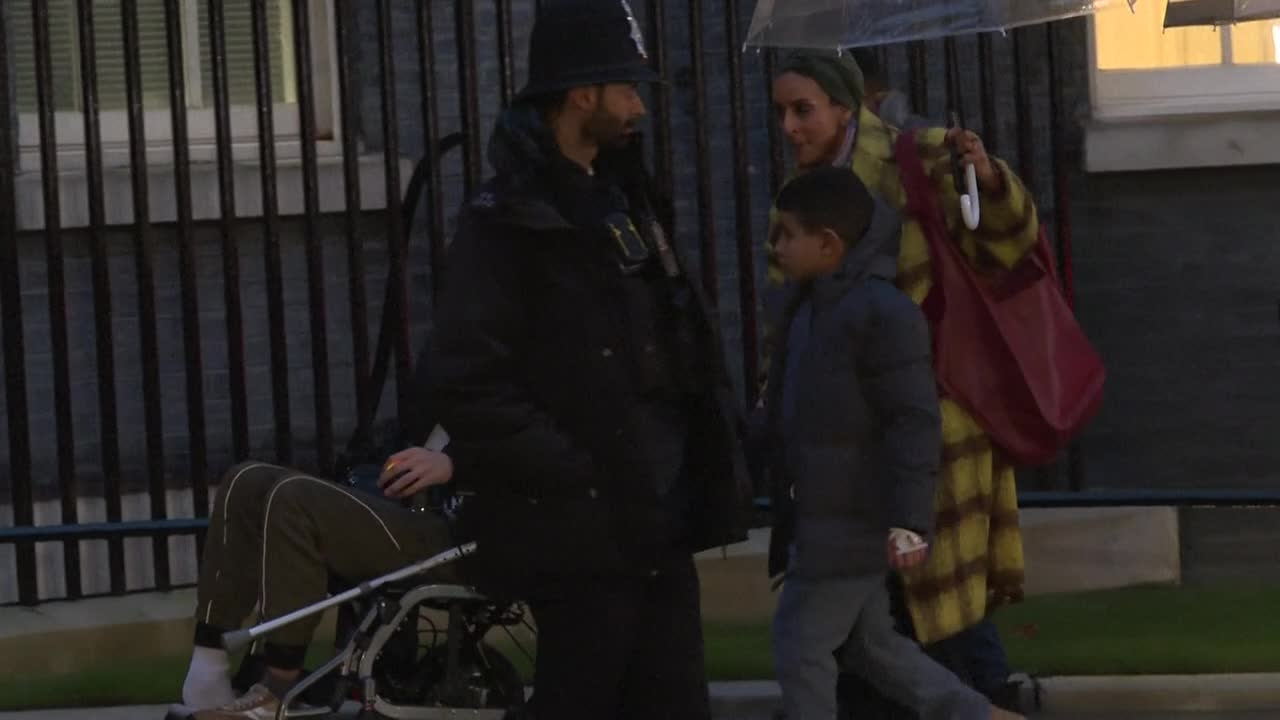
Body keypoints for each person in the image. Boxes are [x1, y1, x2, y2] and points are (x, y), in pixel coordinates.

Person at [426, 2, 752, 719]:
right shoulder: (506, 219)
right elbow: (465, 379)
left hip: (659, 519)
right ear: (581, 95)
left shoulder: (626, 196)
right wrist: (573, 468)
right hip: (581, 534)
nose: (640, 106)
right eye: (626, 88)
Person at [764, 50, 1037, 713]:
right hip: (850, 451)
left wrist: (985, 179)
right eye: (781, 112)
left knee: (931, 616)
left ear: (844, 107)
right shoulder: (804, 193)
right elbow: (791, 310)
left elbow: (1007, 240)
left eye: (803, 110)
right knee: (879, 639)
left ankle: (988, 702)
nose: (789, 127)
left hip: (928, 419)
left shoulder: (918, 157)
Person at [171, 440, 458, 720]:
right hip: (412, 504)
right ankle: (207, 674)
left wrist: (452, 463)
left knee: (293, 497)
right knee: (245, 481)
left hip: (459, 530)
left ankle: (278, 689)